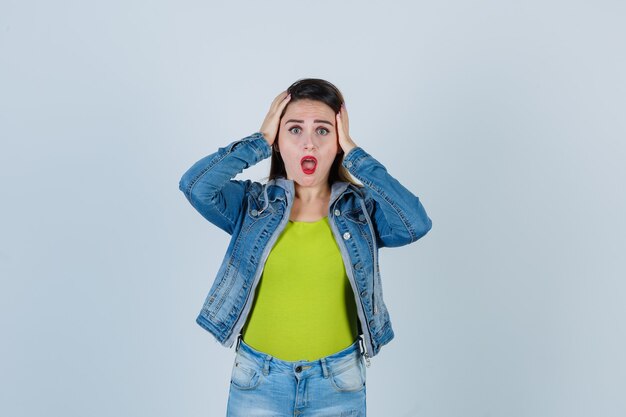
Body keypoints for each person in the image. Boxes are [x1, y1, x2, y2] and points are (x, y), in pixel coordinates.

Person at [178, 78, 432, 416]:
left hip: (338, 383)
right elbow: (195, 186)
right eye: (294, 130)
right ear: (279, 141)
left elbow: (415, 223)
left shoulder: (361, 212)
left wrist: (356, 156)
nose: (308, 144)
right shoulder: (252, 206)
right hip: (258, 379)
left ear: (338, 141)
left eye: (323, 131)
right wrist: (259, 141)